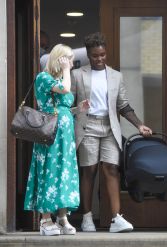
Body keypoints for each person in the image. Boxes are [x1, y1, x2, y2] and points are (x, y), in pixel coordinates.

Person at [71, 32, 152, 233]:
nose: (100, 59)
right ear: (88, 55)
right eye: (95, 56)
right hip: (87, 126)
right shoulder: (77, 74)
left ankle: (116, 218)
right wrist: (78, 109)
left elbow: (123, 105)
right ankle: (87, 217)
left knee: (111, 169)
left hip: (109, 127)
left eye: (103, 55)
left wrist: (140, 125)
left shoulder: (116, 76)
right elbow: (68, 106)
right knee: (89, 171)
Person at [24, 44, 89, 236]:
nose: (71, 62)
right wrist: (66, 70)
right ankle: (45, 219)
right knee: (50, 171)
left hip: (65, 137)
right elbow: (65, 89)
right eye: (67, 58)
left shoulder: (61, 77)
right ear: (59, 59)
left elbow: (63, 108)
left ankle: (62, 217)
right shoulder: (44, 77)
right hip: (50, 134)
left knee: (64, 172)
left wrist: (78, 109)